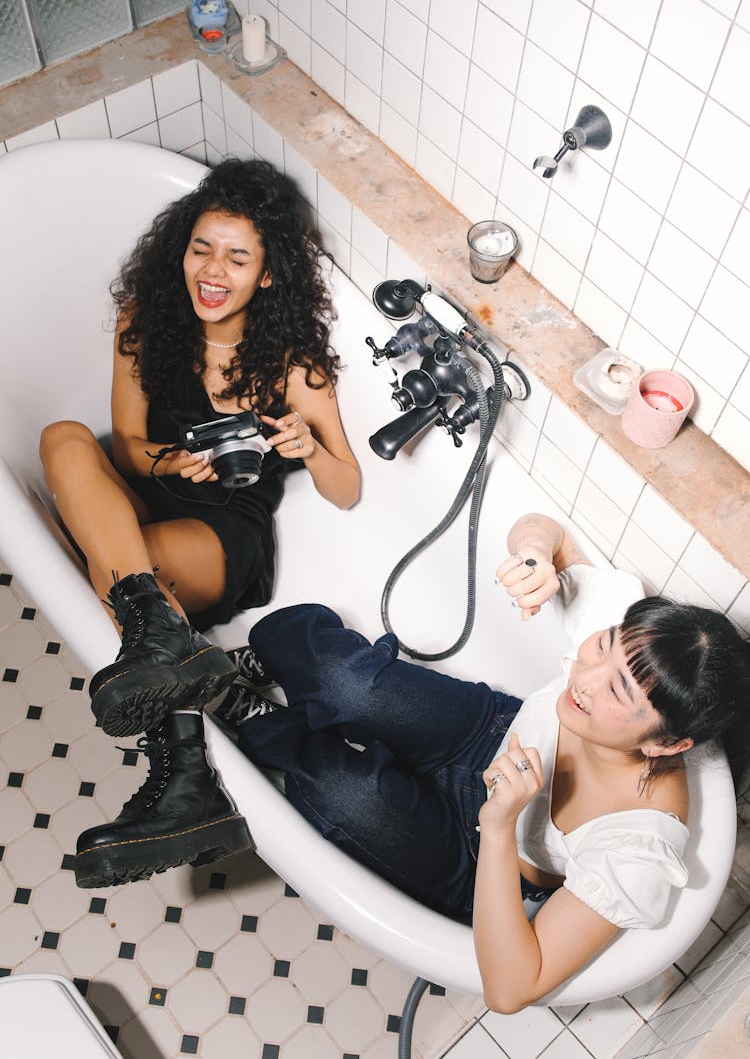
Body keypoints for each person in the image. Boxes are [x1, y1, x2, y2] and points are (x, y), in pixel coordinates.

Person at [218, 511, 750, 1013]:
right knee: (346, 684)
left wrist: (498, 828)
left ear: (665, 745)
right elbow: (548, 532)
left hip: (484, 865)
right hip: (484, 735)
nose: (584, 677)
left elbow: (511, 988)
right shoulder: (631, 648)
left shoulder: (640, 848)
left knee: (347, 794)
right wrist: (535, 555)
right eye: (604, 645)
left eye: (614, 687)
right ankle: (267, 656)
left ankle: (262, 722)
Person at [39, 158, 360, 889]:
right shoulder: (144, 321)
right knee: (62, 436)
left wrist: (311, 448)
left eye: (238, 257)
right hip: (151, 490)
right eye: (202, 247)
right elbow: (126, 441)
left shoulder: (292, 366)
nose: (212, 271)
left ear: (268, 275)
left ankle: (182, 765)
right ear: (181, 247)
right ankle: (180, 718)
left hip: (221, 536)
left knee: (114, 562)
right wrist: (166, 465)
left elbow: (346, 489)